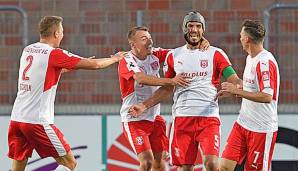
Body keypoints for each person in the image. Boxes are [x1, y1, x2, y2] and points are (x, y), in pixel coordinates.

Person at [128, 11, 242, 171]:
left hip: (208, 119)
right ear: (184, 29)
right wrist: (145, 106)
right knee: (186, 167)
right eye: (190, 26)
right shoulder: (173, 55)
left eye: (198, 26)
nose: (194, 30)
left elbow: (234, 79)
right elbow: (168, 87)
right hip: (183, 119)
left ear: (203, 30)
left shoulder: (215, 53)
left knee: (212, 164)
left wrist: (237, 87)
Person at [7, 16, 123, 171]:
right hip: (37, 121)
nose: (63, 35)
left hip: (17, 119)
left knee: (17, 167)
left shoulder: (28, 49)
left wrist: (75, 65)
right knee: (69, 164)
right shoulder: (54, 53)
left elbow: (47, 71)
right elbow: (96, 65)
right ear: (56, 33)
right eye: (62, 31)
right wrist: (115, 59)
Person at [118, 26, 196, 171]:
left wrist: (200, 43)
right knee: (147, 162)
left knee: (159, 163)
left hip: (154, 118)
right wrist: (171, 81)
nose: (149, 41)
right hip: (134, 120)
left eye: (150, 38)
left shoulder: (155, 54)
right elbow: (140, 78)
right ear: (132, 44)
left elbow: (179, 53)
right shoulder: (127, 60)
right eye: (144, 39)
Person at [217, 20, 280, 171]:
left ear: (247, 39)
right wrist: (235, 90)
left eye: (241, 36)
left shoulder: (265, 62)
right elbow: (252, 87)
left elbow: (267, 96)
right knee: (224, 166)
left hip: (261, 129)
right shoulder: (250, 57)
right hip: (243, 123)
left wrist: (237, 91)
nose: (239, 39)